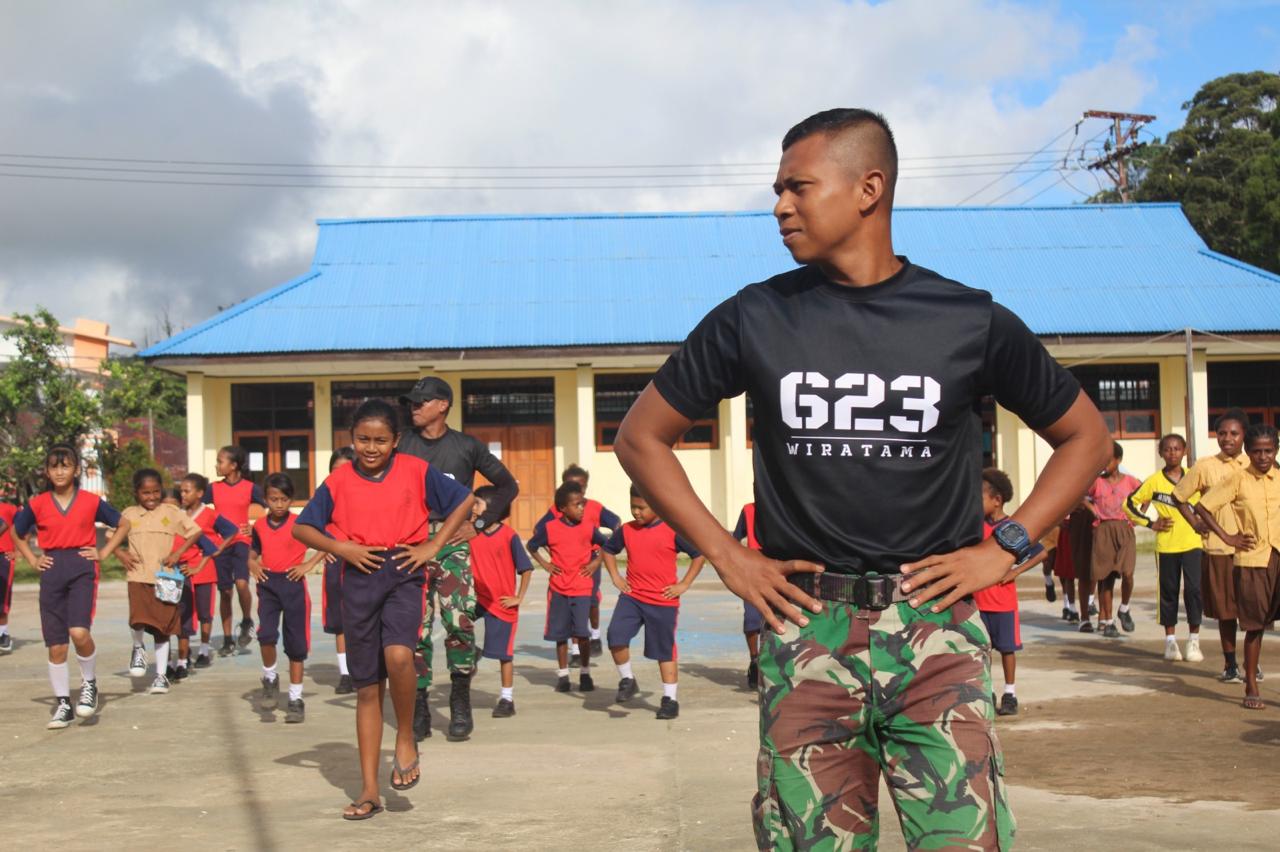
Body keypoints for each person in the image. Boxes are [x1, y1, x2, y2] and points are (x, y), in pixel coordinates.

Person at [612, 108, 1110, 850]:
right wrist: (728, 554)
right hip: (806, 627)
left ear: (868, 188)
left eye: (798, 187)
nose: (780, 205)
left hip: (935, 629)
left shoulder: (966, 319)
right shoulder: (757, 317)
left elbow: (1087, 438)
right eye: (777, 189)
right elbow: (640, 438)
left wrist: (1004, 544)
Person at [294, 399, 474, 820]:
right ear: (351, 439)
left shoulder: (415, 470)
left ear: (396, 441)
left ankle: (406, 736)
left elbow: (463, 501)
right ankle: (370, 791)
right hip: (357, 576)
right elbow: (302, 527)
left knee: (399, 656)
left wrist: (433, 545)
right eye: (362, 439)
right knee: (367, 689)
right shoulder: (338, 481)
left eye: (379, 440)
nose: (370, 448)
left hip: (403, 571)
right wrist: (341, 547)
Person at [396, 376, 518, 741]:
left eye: (422, 402)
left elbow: (508, 486)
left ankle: (460, 700)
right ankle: (418, 706)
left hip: (451, 543)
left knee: (459, 621)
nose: (414, 408)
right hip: (411, 543)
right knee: (416, 626)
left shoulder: (466, 446)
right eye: (413, 403)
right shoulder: (403, 444)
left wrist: (479, 524)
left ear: (442, 405)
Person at [12, 445, 131, 728]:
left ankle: (89, 683)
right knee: (56, 645)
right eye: (54, 467)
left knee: (79, 632)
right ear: (47, 471)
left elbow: (124, 524)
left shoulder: (91, 501)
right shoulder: (38, 503)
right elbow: (17, 532)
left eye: (66, 466)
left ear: (76, 469)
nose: (60, 471)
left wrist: (103, 552)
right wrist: (31, 559)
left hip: (81, 568)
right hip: (52, 570)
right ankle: (63, 703)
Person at [1193, 423, 1280, 710]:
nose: (1264, 457)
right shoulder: (1238, 479)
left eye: (1269, 451)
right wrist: (1228, 536)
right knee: (1255, 626)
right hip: (1253, 560)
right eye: (1257, 452)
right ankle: (1251, 684)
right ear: (1248, 452)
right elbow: (1203, 507)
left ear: (1276, 450)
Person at [601, 485, 706, 719]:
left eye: (642, 507)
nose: (636, 512)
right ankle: (627, 679)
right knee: (615, 636)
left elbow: (698, 555)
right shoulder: (626, 530)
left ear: (656, 506)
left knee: (664, 650)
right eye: (632, 507)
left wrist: (684, 584)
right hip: (632, 597)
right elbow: (608, 551)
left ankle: (670, 699)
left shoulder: (672, 529)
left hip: (662, 600)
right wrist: (616, 577)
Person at [1172, 409, 1251, 682]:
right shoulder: (1205, 466)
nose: (1227, 438)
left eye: (1234, 433)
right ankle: (1231, 665)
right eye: (1222, 433)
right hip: (1218, 548)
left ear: (1244, 435)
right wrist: (1194, 522)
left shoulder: (1256, 463)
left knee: (1255, 610)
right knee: (1226, 611)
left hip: (1253, 549)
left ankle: (1253, 663)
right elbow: (1179, 496)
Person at [118, 468, 205, 695]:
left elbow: (195, 532)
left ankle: (161, 676)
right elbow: (111, 538)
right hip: (137, 575)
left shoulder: (171, 512)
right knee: (137, 618)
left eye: (156, 492)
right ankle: (138, 648)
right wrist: (122, 554)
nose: (152, 497)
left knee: (163, 627)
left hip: (166, 577)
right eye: (146, 493)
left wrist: (178, 553)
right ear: (136, 493)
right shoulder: (128, 514)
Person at [250, 473, 323, 723]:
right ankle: (269, 678)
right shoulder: (259, 525)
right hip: (268, 583)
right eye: (273, 499)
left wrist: (307, 565)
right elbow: (252, 552)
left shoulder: (301, 523)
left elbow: (327, 543)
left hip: (293, 585)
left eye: (283, 499)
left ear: (291, 500)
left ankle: (295, 698)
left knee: (296, 645)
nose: (278, 504)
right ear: (265, 500)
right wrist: (252, 565)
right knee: (266, 635)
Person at [1126, 434, 1205, 662]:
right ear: (1161, 453)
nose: (1172, 453)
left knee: (1194, 591)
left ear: (1184, 451)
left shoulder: (1195, 477)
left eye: (1177, 448)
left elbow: (1209, 502)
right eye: (1168, 449)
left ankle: (1193, 640)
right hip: (1167, 546)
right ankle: (1170, 642)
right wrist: (1151, 523)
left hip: (1192, 543)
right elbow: (1128, 503)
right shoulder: (1154, 481)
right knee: (1168, 592)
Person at [528, 481, 610, 693]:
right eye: (576, 505)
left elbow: (607, 545)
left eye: (582, 504)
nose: (582, 508)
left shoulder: (588, 528)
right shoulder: (550, 528)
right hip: (559, 589)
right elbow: (532, 545)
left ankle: (585, 673)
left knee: (582, 634)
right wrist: (545, 564)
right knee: (560, 634)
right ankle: (563, 675)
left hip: (582, 589)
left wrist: (595, 562)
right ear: (562, 509)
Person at [978, 468, 1046, 717]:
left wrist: (1015, 572)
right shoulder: (976, 527)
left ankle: (1010, 693)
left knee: (1007, 649)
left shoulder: (1010, 527)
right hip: (978, 601)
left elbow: (1040, 552)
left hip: (1003, 602)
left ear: (997, 500)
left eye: (980, 498)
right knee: (982, 650)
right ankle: (987, 690)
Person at [468, 485, 534, 718]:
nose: (473, 507)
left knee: (503, 653)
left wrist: (519, 597)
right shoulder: (470, 532)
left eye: (477, 503)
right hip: (477, 600)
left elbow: (526, 569)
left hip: (502, 603)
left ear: (492, 509)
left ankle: (507, 699)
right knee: (456, 626)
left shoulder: (509, 536)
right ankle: (470, 652)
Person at [552, 465, 622, 655]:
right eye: (571, 485)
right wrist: (551, 558)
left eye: (581, 486)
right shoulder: (559, 509)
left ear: (586, 487)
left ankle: (596, 636)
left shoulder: (594, 507)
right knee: (570, 603)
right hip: (567, 562)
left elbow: (616, 522)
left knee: (590, 600)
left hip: (589, 561)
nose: (577, 490)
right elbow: (539, 532)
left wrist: (604, 553)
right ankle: (575, 649)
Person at [174, 474, 237, 676]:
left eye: (187, 490)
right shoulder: (177, 514)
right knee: (183, 612)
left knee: (204, 612)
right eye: (181, 491)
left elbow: (231, 530)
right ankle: (184, 652)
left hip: (203, 567)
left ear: (200, 493)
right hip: (181, 568)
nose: (182, 494)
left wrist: (217, 549)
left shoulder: (209, 514)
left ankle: (203, 649)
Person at [207, 445, 267, 656]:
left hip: (242, 541)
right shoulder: (213, 489)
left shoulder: (251, 488)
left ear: (233, 466)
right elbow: (196, 508)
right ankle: (227, 639)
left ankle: (247, 619)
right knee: (225, 592)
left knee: (242, 583)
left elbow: (272, 508)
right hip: (221, 543)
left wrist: (255, 526)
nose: (217, 465)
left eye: (220, 461)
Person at [1082, 442, 1141, 638]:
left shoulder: (1130, 481)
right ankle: (1108, 622)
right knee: (1105, 578)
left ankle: (1124, 608)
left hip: (1125, 529)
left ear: (1118, 460)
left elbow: (1146, 494)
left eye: (1108, 460)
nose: (1104, 464)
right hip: (1104, 530)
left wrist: (1137, 516)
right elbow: (1081, 496)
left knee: (1128, 573)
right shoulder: (1096, 482)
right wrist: (1094, 513)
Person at [323, 447, 357, 694]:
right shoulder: (324, 496)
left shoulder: (368, 494)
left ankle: (370, 668)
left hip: (363, 559)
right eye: (336, 470)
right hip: (335, 561)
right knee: (340, 621)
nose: (340, 475)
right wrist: (322, 545)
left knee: (367, 617)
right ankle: (345, 673)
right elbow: (308, 527)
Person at [732, 502, 766, 688]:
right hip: (753, 572)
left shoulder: (784, 505)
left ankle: (771, 664)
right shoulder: (748, 510)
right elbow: (734, 539)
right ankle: (755, 661)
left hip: (779, 569)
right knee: (752, 620)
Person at [0, 499, 20, 654]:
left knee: (2, 598)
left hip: (3, 556)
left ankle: (2, 634)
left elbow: (23, 530)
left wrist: (18, 552)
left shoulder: (9, 509)